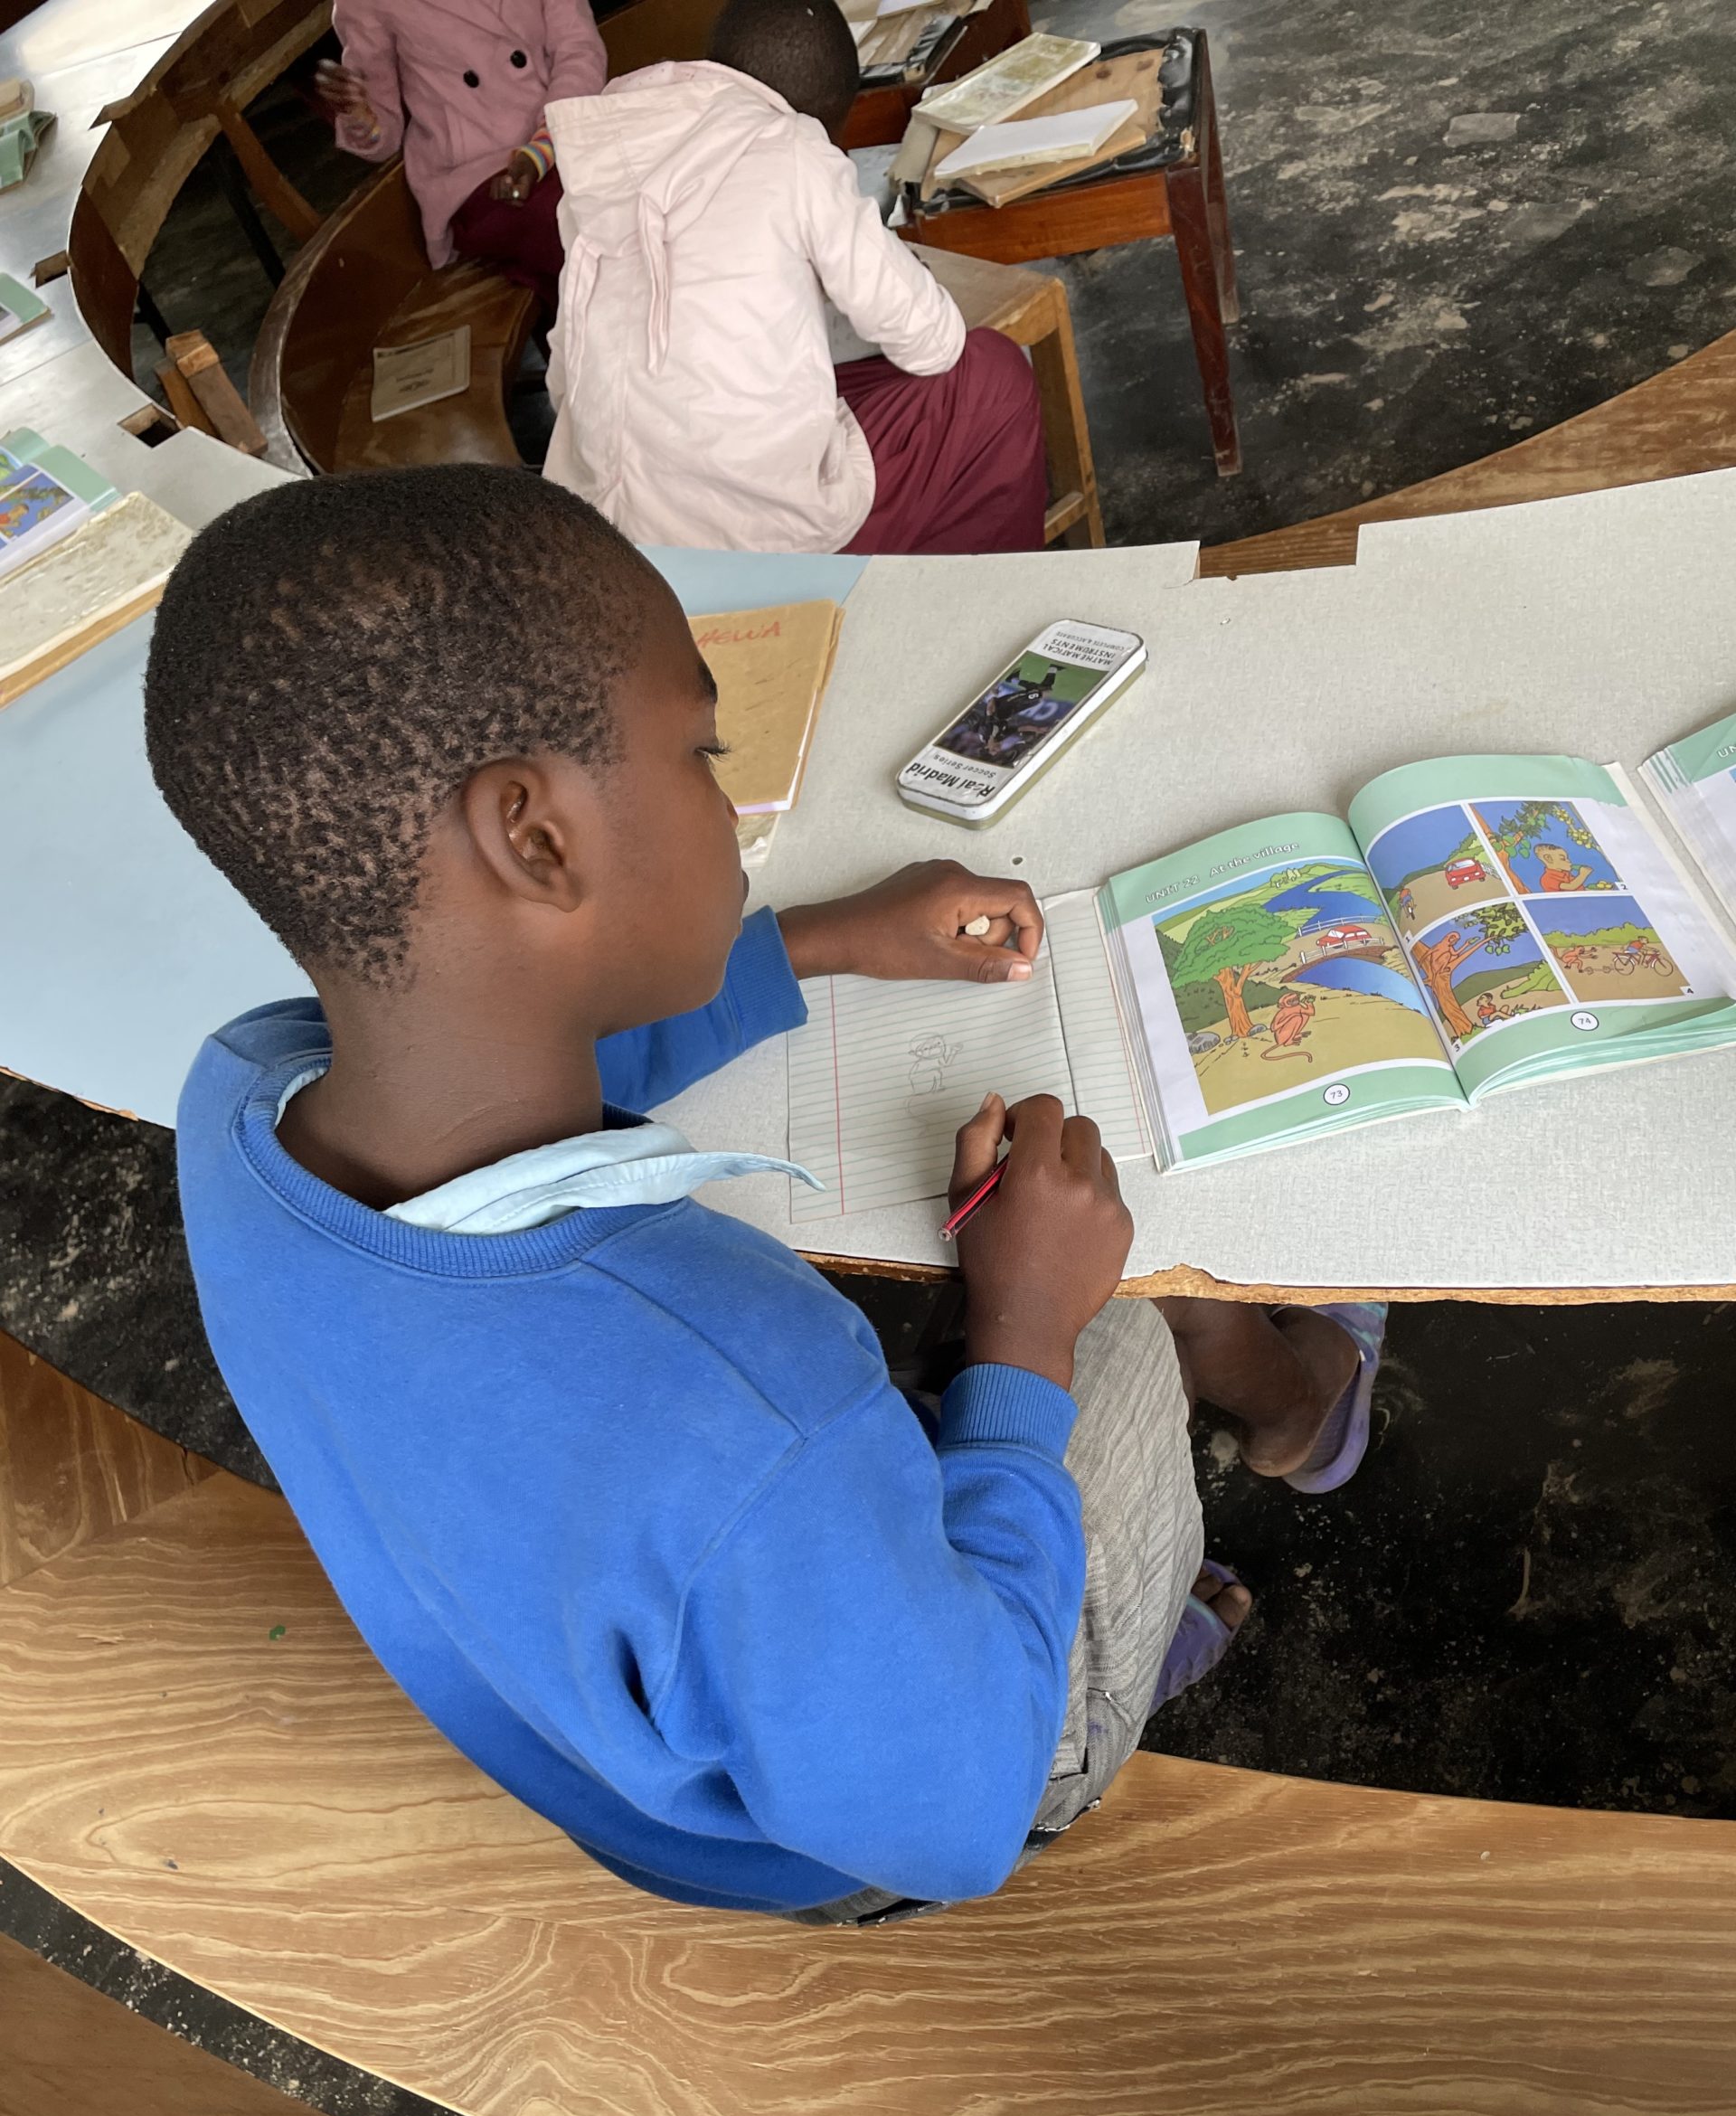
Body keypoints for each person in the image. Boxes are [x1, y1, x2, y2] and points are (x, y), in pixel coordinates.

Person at [146, 468, 1383, 1924]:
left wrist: (821, 939)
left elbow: (536, 1039)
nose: (726, 808)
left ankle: (1084, 1517)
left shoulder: (238, 1099)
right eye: (699, 755)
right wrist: (1026, 1327)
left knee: (978, 1357)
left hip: (603, 1736)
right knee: (1133, 1312)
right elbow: (953, 1819)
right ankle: (1215, 1531)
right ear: (536, 838)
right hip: (858, 1815)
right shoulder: (741, 1388)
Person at [540, 0, 1048, 554]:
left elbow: (564, 378)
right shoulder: (794, 145)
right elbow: (933, 342)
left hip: (599, 526)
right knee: (992, 376)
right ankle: (936, 598)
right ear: (824, 120)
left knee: (831, 383)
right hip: (745, 542)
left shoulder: (613, 146)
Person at [315, 0, 607, 315]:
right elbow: (381, 132)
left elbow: (579, 49)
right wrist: (361, 116)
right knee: (579, 230)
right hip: (477, 175)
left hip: (566, 129)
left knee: (634, 201)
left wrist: (544, 144)